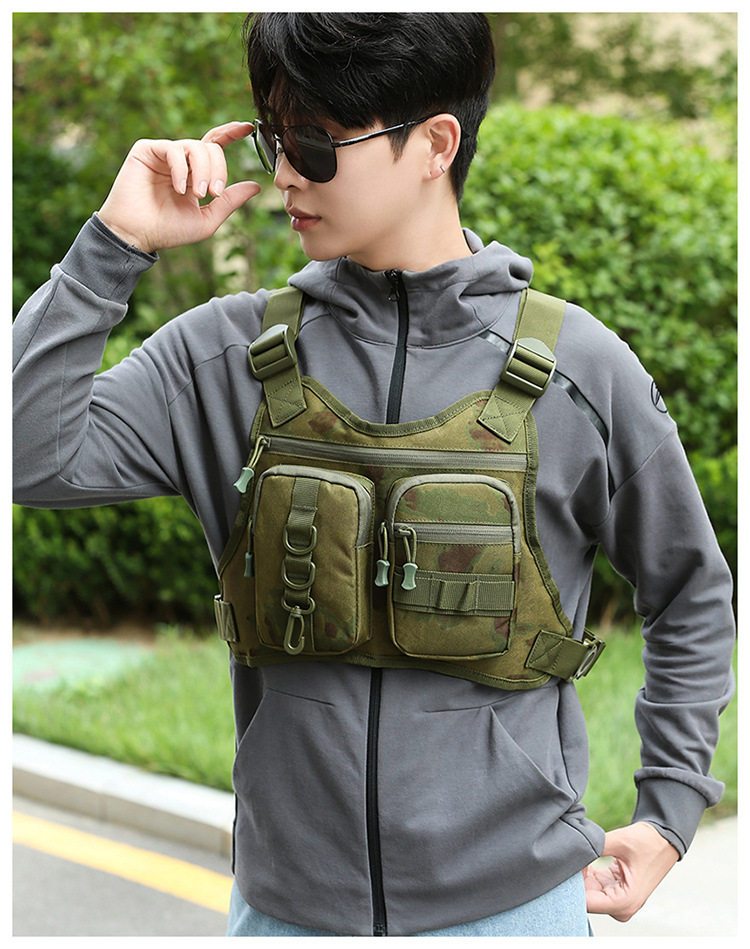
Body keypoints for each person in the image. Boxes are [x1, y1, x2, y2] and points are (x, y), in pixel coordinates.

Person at [12, 12, 735, 938]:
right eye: (275, 138)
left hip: (515, 910)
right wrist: (114, 242)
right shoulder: (224, 357)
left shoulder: (578, 372)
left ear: (436, 144)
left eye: (315, 142)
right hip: (286, 910)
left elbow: (690, 588)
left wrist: (669, 807)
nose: (284, 173)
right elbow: (25, 452)